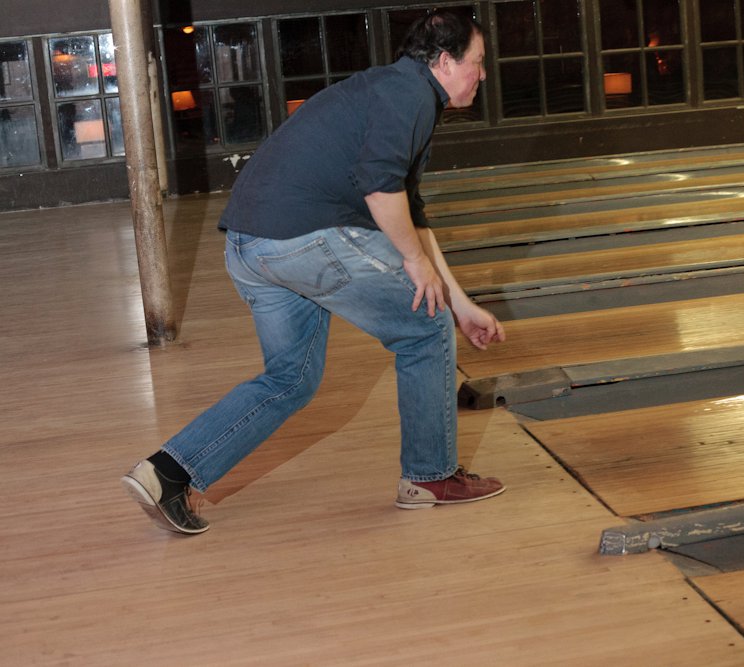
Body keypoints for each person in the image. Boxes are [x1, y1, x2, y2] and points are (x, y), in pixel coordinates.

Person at [121, 10, 506, 535]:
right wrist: (418, 271)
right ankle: (430, 477)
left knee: (292, 378)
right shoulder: (410, 94)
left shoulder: (391, 91)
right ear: (444, 61)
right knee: (424, 327)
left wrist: (461, 304)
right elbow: (379, 189)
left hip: (248, 246)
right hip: (298, 239)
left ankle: (168, 471)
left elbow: (411, 214)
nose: (481, 75)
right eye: (477, 63)